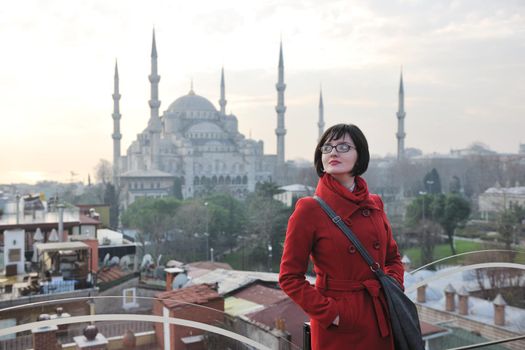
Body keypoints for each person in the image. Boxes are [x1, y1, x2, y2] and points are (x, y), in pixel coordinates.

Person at [279, 123, 404, 350]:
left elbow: (392, 258)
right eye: (327, 147)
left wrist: (392, 287)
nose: (333, 152)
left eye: (344, 146)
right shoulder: (309, 209)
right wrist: (332, 314)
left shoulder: (374, 203)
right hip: (340, 327)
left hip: (380, 314)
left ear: (360, 156)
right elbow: (289, 277)